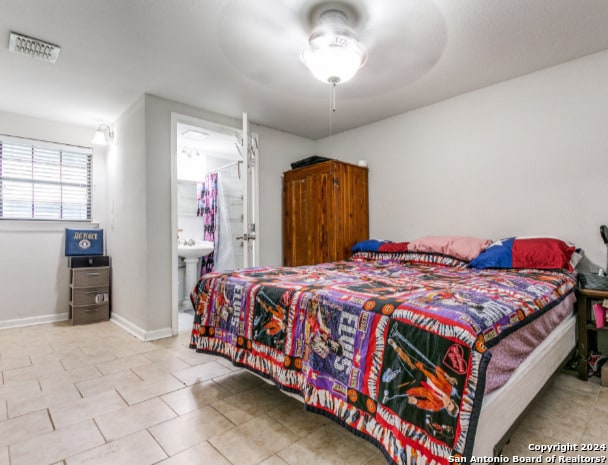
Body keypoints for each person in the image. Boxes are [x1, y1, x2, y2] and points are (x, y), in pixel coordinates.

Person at [387, 338, 459, 417]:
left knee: (403, 391)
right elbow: (440, 374)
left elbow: (426, 405)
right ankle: (394, 345)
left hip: (420, 387)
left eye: (447, 407)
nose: (446, 403)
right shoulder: (448, 388)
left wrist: (416, 402)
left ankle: (390, 390)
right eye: (449, 403)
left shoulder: (438, 406)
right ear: (452, 400)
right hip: (424, 376)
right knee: (410, 363)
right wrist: (447, 376)